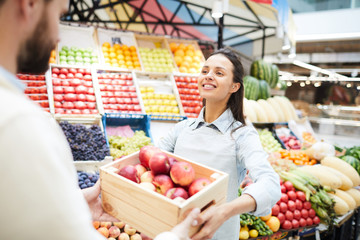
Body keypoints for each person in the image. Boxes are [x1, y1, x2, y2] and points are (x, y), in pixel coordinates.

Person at [0, 0, 198, 239]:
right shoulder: (20, 124)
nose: (59, 36)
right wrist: (175, 236)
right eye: (59, 15)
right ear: (29, 4)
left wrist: (75, 205)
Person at [158, 48, 282, 240]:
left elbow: (270, 184)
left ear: (234, 86)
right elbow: (151, 162)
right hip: (174, 232)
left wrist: (225, 211)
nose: (208, 76)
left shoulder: (242, 135)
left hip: (217, 234)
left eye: (219, 73)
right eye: (205, 71)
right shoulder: (182, 129)